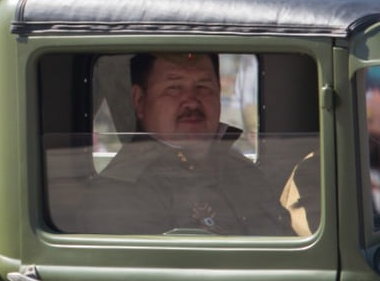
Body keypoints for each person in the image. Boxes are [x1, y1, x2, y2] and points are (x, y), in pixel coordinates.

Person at [80, 53, 292, 235]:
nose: (191, 101)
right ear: (140, 101)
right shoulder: (121, 192)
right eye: (174, 88)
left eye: (203, 87)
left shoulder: (242, 170)